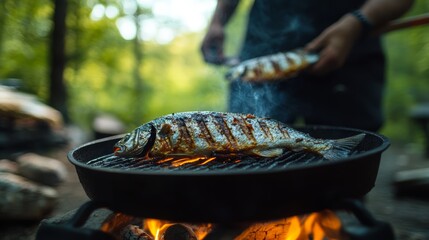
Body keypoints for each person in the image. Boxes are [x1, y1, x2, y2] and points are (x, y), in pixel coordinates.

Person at [201, 0, 414, 132]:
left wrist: (357, 23)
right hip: (263, 44)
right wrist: (218, 21)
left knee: (345, 166)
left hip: (351, 46)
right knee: (246, 143)